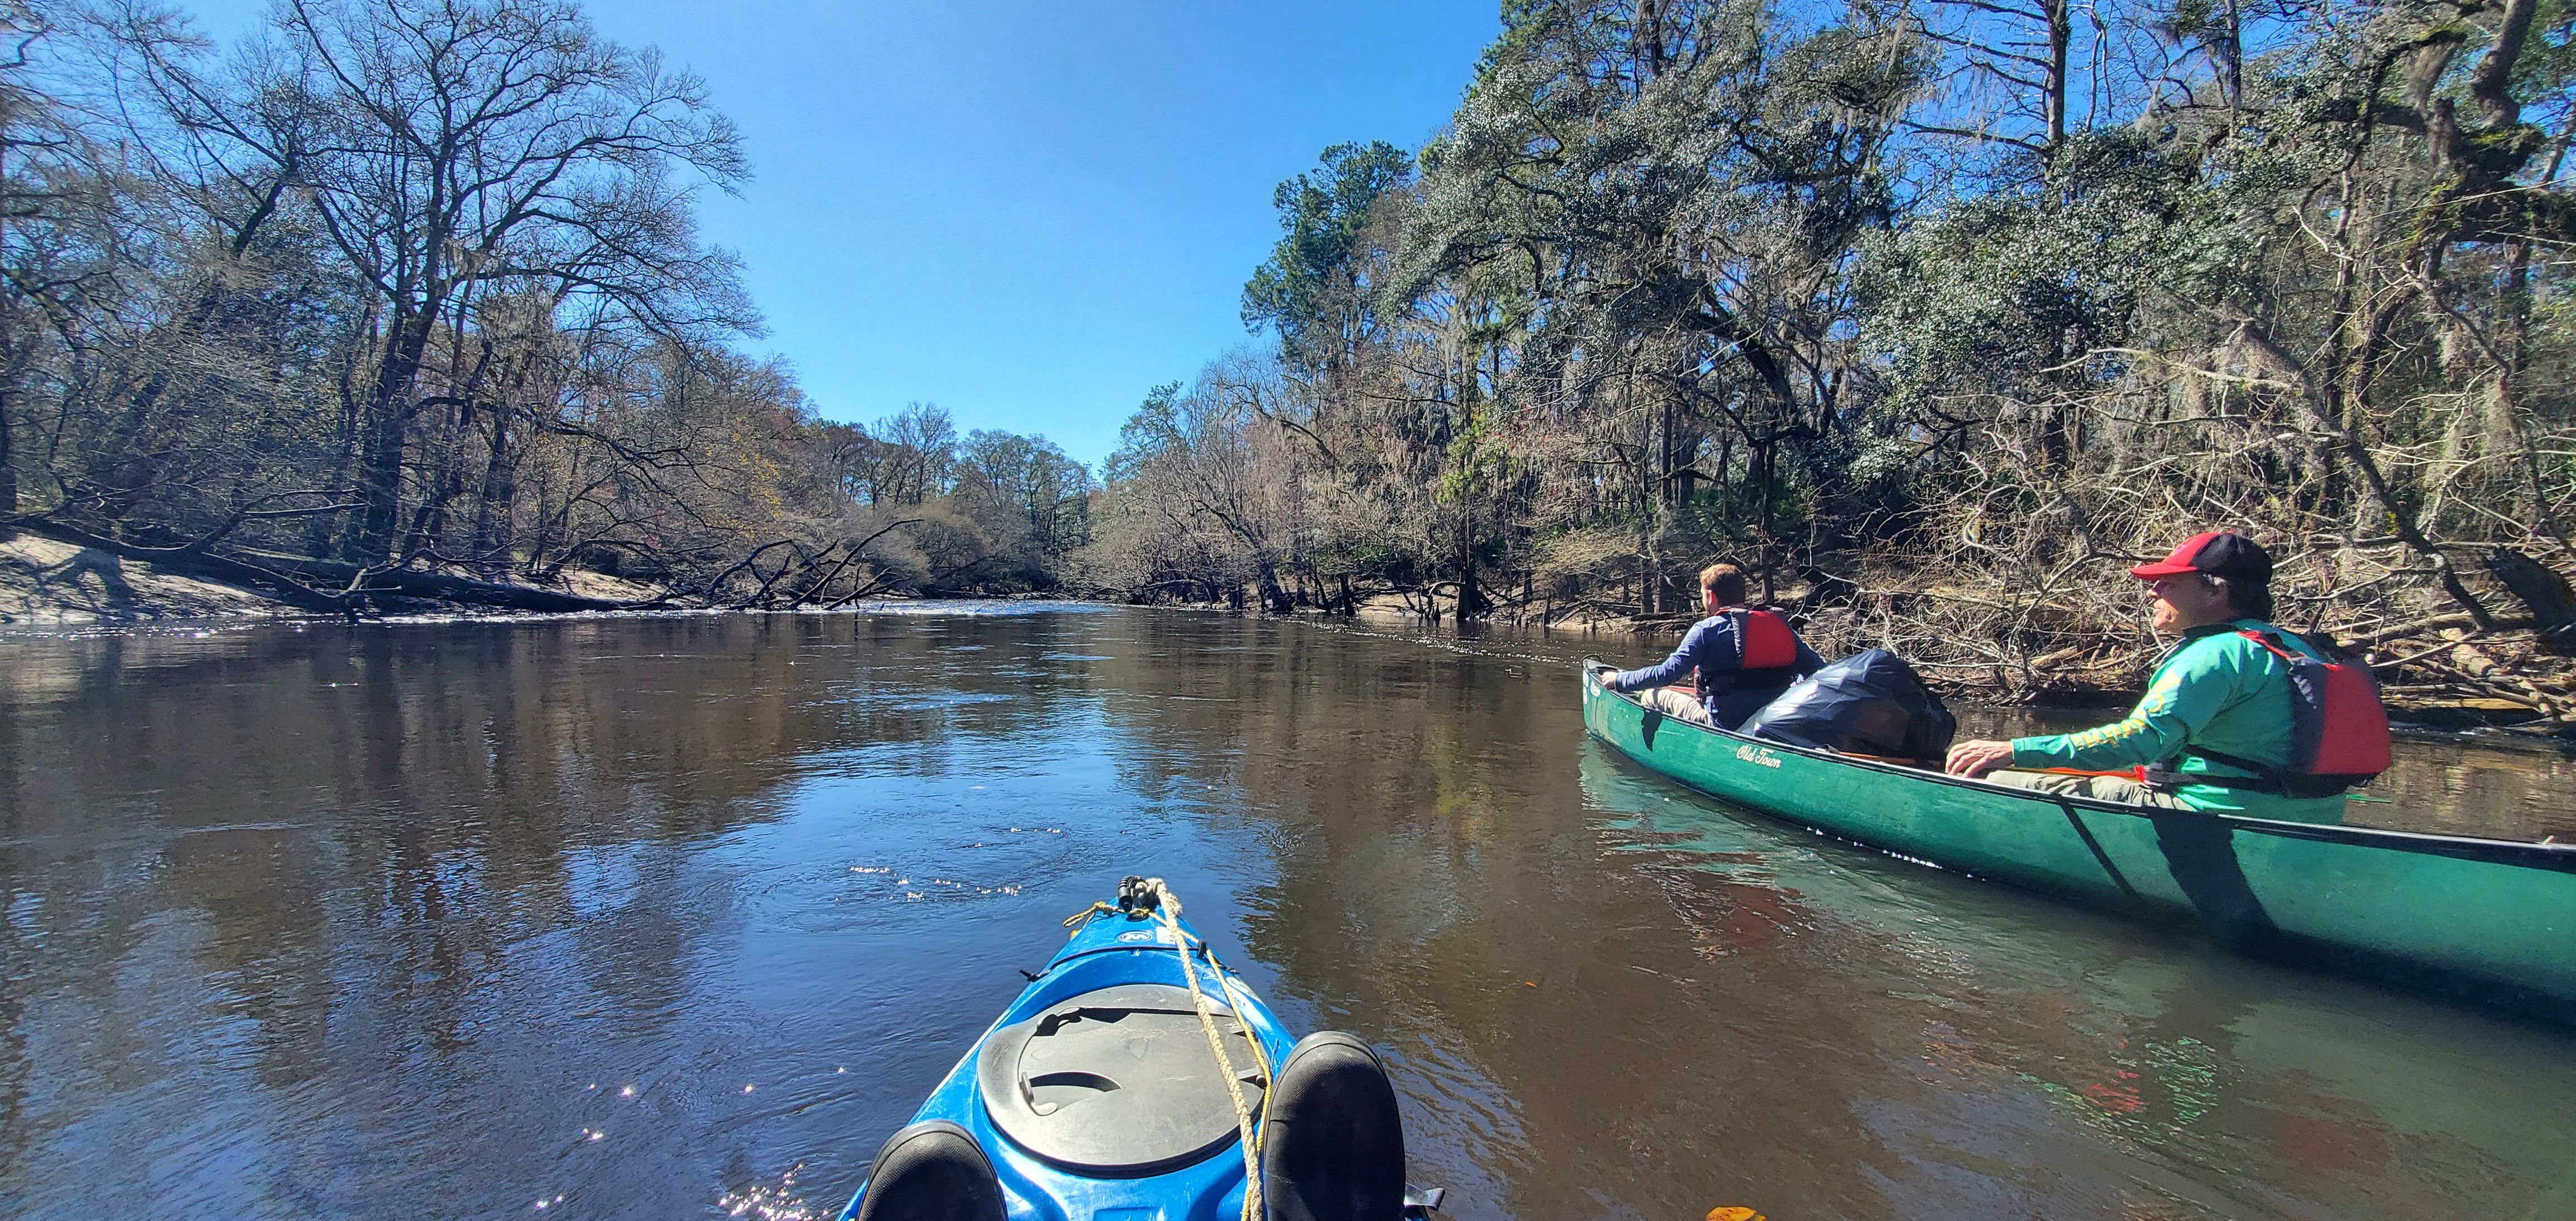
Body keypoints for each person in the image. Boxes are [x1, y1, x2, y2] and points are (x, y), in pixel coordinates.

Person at [1943, 531, 2370, 825]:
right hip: (2315, 816)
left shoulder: (2214, 654)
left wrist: (2012, 748)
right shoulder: (2300, 647)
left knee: (1990, 776)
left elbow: (2139, 742)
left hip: (2219, 814)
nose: (2153, 592)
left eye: (2168, 582)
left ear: (2216, 591)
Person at [1600, 564, 1825, 730]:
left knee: (1652, 695)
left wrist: (1620, 680)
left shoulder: (1706, 630)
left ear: (1710, 596)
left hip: (1726, 724)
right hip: (1775, 721)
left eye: (1702, 594)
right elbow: (1819, 673)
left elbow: (1666, 674)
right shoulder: (1781, 628)